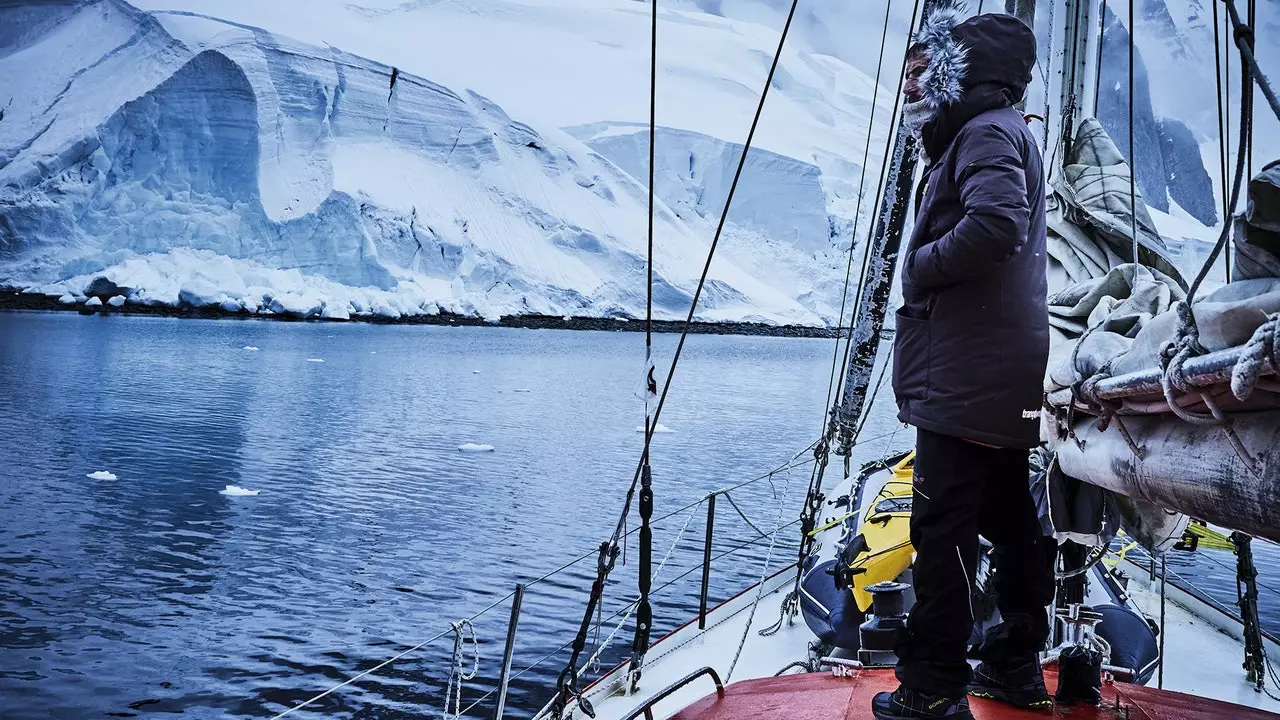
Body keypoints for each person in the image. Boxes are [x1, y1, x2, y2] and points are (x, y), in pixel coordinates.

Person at [871, 7, 1055, 720]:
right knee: (1010, 520)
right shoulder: (995, 131)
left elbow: (996, 224)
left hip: (967, 375)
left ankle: (932, 686)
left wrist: (918, 268)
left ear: (961, 73)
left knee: (941, 528)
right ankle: (1014, 663)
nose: (913, 88)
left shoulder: (982, 132)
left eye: (924, 73)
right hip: (995, 372)